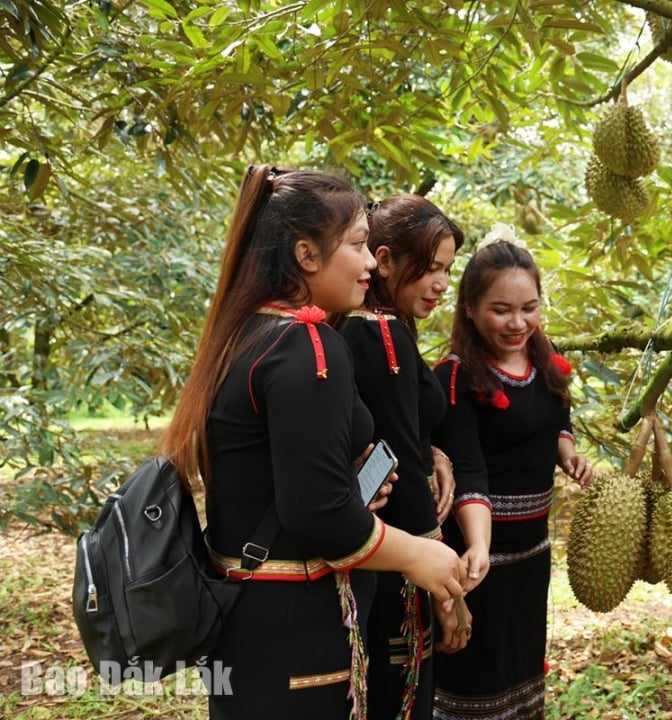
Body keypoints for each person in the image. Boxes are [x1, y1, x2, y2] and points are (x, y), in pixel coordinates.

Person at [159, 165, 466, 719]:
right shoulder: (308, 346)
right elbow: (319, 513)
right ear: (306, 255)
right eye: (357, 245)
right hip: (297, 628)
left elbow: (282, 478)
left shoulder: (247, 331)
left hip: (253, 617)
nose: (372, 262)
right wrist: (421, 554)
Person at [429, 226, 593, 720]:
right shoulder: (455, 376)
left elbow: (555, 418)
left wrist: (566, 451)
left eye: (529, 308)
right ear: (471, 309)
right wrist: (475, 549)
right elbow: (468, 466)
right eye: (501, 310)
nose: (517, 322)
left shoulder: (546, 362)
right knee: (473, 673)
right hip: (476, 558)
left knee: (519, 668)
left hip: (531, 553)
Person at [336, 194, 468, 719]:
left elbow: (399, 433)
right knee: (400, 690)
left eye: (447, 271)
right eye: (430, 269)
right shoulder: (380, 332)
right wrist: (443, 582)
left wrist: (432, 448)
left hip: (377, 546)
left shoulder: (364, 327)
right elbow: (401, 466)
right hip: (399, 553)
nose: (440, 284)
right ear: (385, 260)